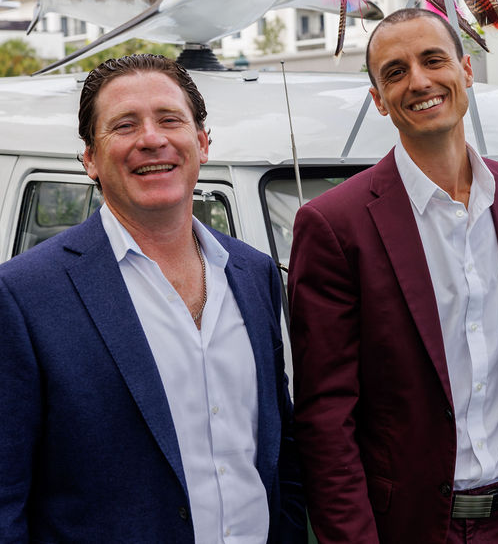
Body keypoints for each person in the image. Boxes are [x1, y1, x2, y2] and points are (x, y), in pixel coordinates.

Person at [288, 8, 498, 544]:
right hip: (409, 528)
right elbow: (327, 421)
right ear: (379, 101)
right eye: (395, 72)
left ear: (466, 70)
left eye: (434, 60)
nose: (419, 81)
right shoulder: (334, 226)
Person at [0, 55, 305, 543]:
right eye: (124, 125)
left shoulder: (253, 273)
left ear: (202, 143)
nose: (151, 139)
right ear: (90, 158)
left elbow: (278, 449)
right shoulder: (22, 295)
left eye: (170, 119)